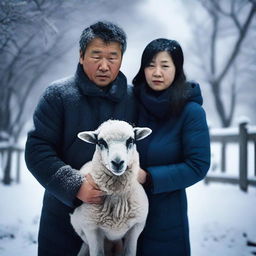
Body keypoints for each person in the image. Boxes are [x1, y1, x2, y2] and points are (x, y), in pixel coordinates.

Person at [25, 21, 136, 256]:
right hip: (63, 214)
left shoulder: (133, 98)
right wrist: (74, 186)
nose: (104, 66)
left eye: (112, 57)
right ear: (81, 55)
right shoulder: (58, 95)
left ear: (121, 59)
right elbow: (38, 149)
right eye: (96, 56)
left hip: (117, 223)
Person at [133, 38, 211, 256]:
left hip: (166, 217)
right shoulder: (130, 103)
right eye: (151, 65)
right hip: (124, 216)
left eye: (165, 65)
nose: (157, 72)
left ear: (177, 69)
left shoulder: (191, 112)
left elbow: (198, 165)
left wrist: (149, 177)